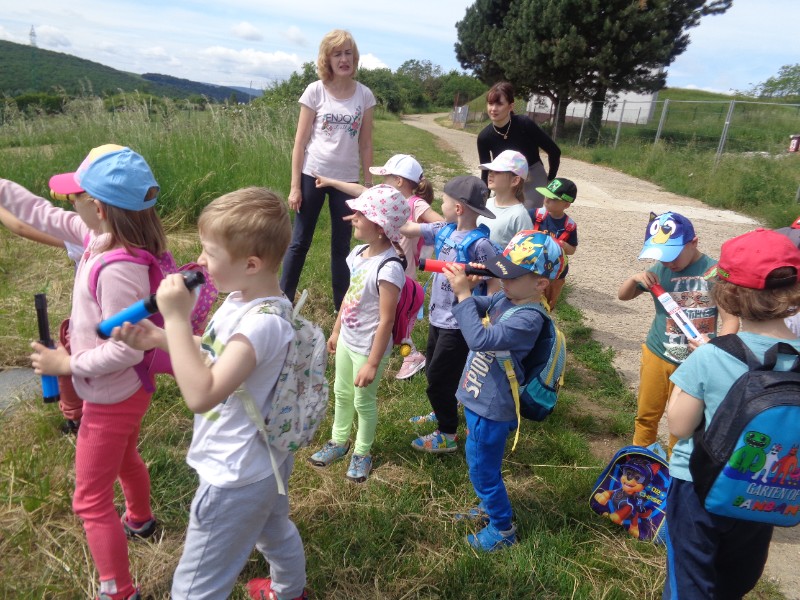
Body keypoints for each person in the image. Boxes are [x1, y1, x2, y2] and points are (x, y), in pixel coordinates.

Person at [114, 188, 309, 600]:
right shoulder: (247, 300)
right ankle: (290, 590)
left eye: (210, 252)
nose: (200, 261)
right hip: (265, 461)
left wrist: (176, 318)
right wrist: (163, 338)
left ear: (251, 264)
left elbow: (202, 394)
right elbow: (219, 351)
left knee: (196, 586)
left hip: (234, 473)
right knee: (273, 528)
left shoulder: (261, 325)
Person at [1, 145, 166, 600]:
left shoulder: (118, 270)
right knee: (126, 457)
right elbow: (40, 212)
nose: (66, 203)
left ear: (98, 207)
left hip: (112, 394)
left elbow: (126, 350)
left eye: (74, 196)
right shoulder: (98, 235)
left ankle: (118, 590)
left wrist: (67, 364)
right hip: (124, 390)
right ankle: (140, 519)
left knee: (90, 500)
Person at [664, 228, 800, 599]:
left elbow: (679, 425)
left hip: (699, 485)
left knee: (689, 579)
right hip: (763, 493)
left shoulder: (713, 355)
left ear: (728, 294)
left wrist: (693, 365)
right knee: (735, 579)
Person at [445, 230, 565, 551]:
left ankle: (502, 528)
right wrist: (467, 290)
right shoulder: (507, 297)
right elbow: (478, 306)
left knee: (483, 470)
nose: (502, 278)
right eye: (502, 270)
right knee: (480, 460)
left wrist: (463, 296)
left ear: (540, 284)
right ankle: (488, 504)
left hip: (493, 408)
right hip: (480, 398)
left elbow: (479, 338)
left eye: (512, 275)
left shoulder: (528, 319)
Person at [308, 185, 409, 483]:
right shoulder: (357, 254)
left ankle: (362, 452)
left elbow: (386, 321)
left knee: (363, 402)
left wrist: (373, 363)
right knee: (341, 393)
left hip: (368, 348)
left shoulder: (389, 268)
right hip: (347, 340)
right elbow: (350, 297)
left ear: (379, 227)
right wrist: (336, 330)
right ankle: (339, 441)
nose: (353, 218)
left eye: (360, 214)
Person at [315, 154, 445, 380]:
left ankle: (411, 356)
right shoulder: (382, 201)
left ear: (399, 181)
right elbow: (359, 191)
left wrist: (411, 228)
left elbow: (442, 224)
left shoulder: (415, 204)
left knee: (396, 322)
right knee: (383, 316)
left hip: (400, 274)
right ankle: (403, 353)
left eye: (386, 178)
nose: (381, 183)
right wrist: (331, 182)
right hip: (378, 269)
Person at [400, 175, 501, 452]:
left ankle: (447, 433)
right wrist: (385, 214)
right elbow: (408, 228)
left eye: (443, 201)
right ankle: (443, 408)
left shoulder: (480, 245)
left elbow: (494, 278)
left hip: (459, 324)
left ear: (458, 208)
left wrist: (490, 313)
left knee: (437, 378)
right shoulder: (443, 230)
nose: (439, 205)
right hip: (438, 316)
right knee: (439, 371)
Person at [281, 29, 376, 311]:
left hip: (346, 181)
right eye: (337, 54)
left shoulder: (364, 95)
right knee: (300, 241)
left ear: (354, 58)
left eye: (348, 53)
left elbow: (366, 143)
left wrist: (368, 184)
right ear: (327, 59)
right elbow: (300, 143)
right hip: (313, 175)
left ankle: (341, 308)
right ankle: (282, 301)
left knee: (341, 245)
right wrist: (295, 187)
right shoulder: (315, 90)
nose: (343, 59)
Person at [618, 211, 727, 453]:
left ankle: (673, 467)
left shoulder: (714, 273)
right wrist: (635, 278)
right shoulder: (660, 269)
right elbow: (623, 296)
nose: (668, 262)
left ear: (694, 242)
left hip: (695, 362)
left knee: (682, 426)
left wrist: (716, 350)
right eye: (661, 256)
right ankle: (640, 460)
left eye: (673, 255)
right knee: (646, 415)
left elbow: (731, 320)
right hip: (657, 354)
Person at [477, 81, 561, 211]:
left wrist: (550, 178)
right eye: (490, 103)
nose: (493, 109)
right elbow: (486, 172)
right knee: (501, 213)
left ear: (511, 106)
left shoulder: (524, 124)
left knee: (527, 213)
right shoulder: (484, 137)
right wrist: (482, 203)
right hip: (504, 178)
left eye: (499, 104)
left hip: (532, 176)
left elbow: (554, 151)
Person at [532, 177, 579, 309]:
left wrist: (564, 245)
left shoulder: (569, 226)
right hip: (533, 266)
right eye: (546, 196)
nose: (547, 200)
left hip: (555, 272)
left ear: (566, 205)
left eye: (553, 199)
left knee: (548, 302)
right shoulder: (535, 215)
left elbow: (572, 250)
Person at [476, 149, 533, 248]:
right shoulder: (486, 203)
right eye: (490, 170)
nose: (490, 174)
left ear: (515, 181)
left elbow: (526, 251)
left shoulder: (519, 215)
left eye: (498, 171)